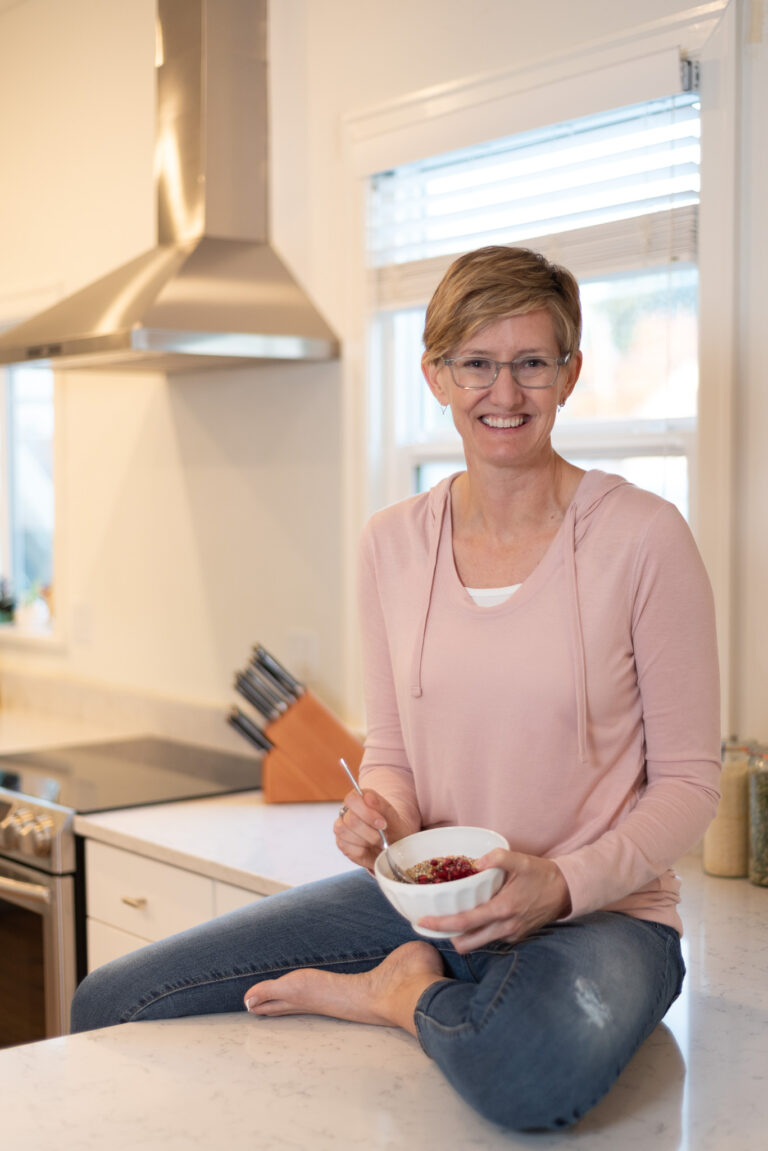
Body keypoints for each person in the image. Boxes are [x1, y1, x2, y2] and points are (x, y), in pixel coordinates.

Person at [71, 245, 721, 1132]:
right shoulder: (393, 542)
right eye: (477, 364)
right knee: (117, 998)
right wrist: (378, 811)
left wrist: (561, 884)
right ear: (436, 375)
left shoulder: (645, 537)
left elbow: (690, 783)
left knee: (524, 1076)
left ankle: (395, 996)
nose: (506, 391)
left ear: (570, 373)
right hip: (431, 900)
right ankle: (423, 979)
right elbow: (394, 753)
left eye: (533, 362)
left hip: (601, 914)